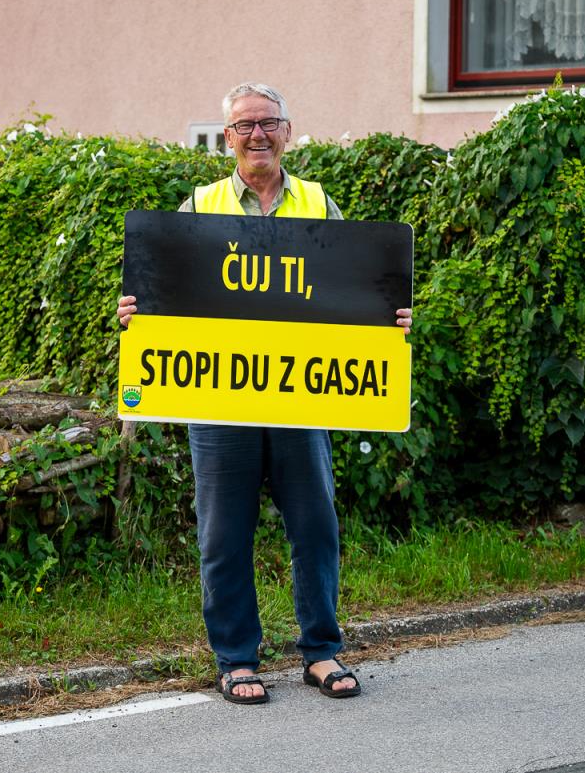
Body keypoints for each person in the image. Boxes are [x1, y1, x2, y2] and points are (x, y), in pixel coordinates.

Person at [117, 82, 412, 704]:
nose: (258, 135)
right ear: (227, 138)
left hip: (300, 395)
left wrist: (388, 317)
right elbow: (170, 294)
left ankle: (321, 652)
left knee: (315, 526)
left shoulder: (319, 202)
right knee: (224, 533)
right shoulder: (198, 206)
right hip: (219, 398)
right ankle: (235, 660)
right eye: (245, 126)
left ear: (287, 132)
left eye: (268, 123)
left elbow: (354, 289)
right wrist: (138, 314)